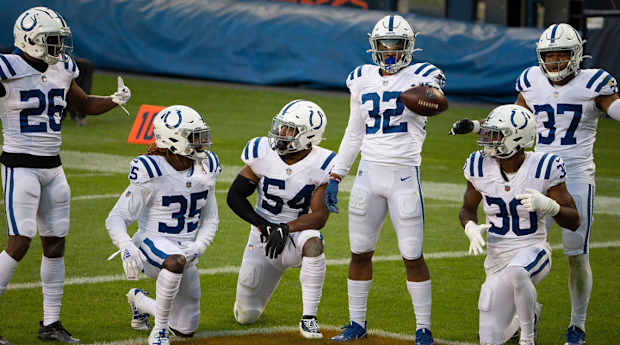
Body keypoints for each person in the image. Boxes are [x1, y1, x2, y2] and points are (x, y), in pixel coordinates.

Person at [449, 23, 619, 345]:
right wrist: (475, 126)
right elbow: (514, 117)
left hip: (576, 174)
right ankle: (519, 317)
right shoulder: (530, 80)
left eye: (562, 55)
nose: (555, 62)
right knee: (519, 247)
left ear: (577, 55)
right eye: (549, 55)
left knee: (576, 254)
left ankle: (577, 325)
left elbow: (615, 108)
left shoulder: (593, 82)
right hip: (535, 169)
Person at [0, 7, 131, 345]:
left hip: (53, 168)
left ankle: (51, 323)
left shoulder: (61, 69)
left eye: (60, 40)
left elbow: (83, 104)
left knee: (55, 243)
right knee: (20, 241)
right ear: (30, 41)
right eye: (52, 41)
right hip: (20, 166)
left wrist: (114, 100)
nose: (59, 48)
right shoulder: (6, 68)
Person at [325, 14, 446, 345]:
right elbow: (354, 132)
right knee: (359, 252)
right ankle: (356, 323)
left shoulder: (423, 74)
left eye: (396, 46)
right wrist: (337, 174)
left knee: (412, 255)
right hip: (367, 175)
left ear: (409, 47)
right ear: (373, 47)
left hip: (404, 175)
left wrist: (426, 96)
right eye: (383, 46)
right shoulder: (361, 78)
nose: (390, 52)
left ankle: (423, 327)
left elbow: (437, 98)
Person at [459, 104, 580, 345]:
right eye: (488, 133)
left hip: (532, 248)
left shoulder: (544, 166)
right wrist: (469, 227)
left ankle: (528, 338)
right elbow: (467, 209)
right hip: (496, 259)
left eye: (496, 135)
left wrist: (550, 206)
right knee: (490, 338)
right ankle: (529, 312)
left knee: (519, 271)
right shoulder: (478, 165)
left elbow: (574, 221)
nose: (488, 140)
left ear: (518, 137)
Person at [105, 105, 220, 345]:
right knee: (174, 260)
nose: (201, 143)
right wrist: (126, 246)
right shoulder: (151, 169)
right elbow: (116, 218)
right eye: (194, 136)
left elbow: (211, 217)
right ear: (173, 140)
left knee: (186, 329)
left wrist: (199, 246)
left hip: (186, 250)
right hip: (150, 244)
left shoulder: (206, 166)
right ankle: (158, 332)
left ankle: (139, 301)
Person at [227, 99, 334, 339]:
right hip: (263, 236)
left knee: (314, 242)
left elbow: (319, 217)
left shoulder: (324, 163)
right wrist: (265, 225)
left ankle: (309, 318)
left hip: (297, 233)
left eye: (290, 130)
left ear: (309, 136)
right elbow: (235, 196)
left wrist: (285, 228)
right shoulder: (262, 151)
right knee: (246, 315)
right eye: (281, 126)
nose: (281, 133)